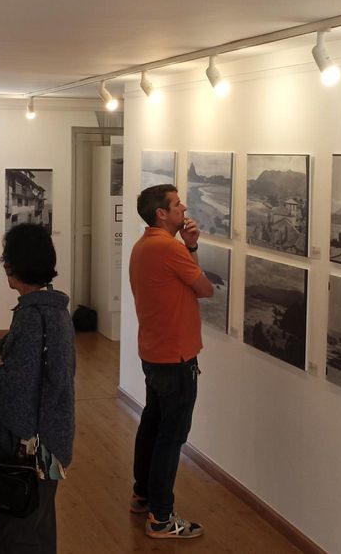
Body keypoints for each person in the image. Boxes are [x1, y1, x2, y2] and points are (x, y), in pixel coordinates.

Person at [0, 224, 76, 554]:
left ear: (13, 265)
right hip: (51, 443)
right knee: (39, 531)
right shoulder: (53, 310)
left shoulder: (33, 318)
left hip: (32, 452)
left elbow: (16, 396)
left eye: (6, 259)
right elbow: (25, 370)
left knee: (14, 537)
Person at [128, 184, 213, 539]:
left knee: (153, 422)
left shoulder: (143, 245)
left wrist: (188, 246)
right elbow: (205, 288)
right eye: (177, 204)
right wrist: (191, 247)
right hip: (176, 357)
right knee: (171, 435)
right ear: (161, 213)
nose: (184, 208)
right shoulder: (169, 248)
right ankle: (161, 518)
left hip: (154, 351)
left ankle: (143, 494)